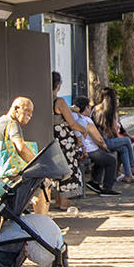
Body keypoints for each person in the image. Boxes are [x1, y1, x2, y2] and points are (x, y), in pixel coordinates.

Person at [0, 96, 49, 214]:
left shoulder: (0, 122)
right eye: (27, 111)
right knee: (44, 184)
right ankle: (41, 224)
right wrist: (40, 167)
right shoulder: (12, 123)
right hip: (2, 177)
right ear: (16, 108)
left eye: (31, 112)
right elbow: (21, 148)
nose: (30, 115)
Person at [50, 71, 97, 210]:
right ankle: (63, 201)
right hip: (64, 139)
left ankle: (59, 200)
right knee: (68, 168)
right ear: (58, 85)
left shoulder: (45, 100)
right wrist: (83, 130)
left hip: (52, 138)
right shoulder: (60, 101)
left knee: (58, 169)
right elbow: (71, 123)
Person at [92, 87, 134, 181]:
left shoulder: (99, 109)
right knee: (126, 141)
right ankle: (133, 166)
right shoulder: (106, 111)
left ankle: (128, 175)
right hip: (102, 141)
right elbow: (112, 130)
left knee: (124, 147)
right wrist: (118, 138)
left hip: (102, 140)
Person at [71, 96, 119, 194]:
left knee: (102, 158)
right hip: (89, 149)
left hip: (81, 148)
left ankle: (95, 182)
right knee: (111, 161)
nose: (90, 109)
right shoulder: (87, 120)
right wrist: (104, 145)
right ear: (85, 108)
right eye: (89, 107)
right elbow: (98, 138)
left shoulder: (74, 116)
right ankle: (107, 188)